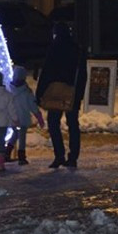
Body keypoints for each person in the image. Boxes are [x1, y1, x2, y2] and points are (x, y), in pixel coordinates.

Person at [35, 22, 87, 169]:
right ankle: (73, 157)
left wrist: (40, 93)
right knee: (73, 125)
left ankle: (59, 155)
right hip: (72, 92)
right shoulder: (77, 50)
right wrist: (79, 94)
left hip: (55, 93)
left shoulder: (54, 49)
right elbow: (82, 74)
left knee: (53, 123)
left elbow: (46, 73)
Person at [8, 65, 45, 165]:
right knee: (22, 137)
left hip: (13, 119)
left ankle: (7, 153)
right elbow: (32, 105)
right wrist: (38, 116)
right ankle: (21, 156)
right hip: (23, 119)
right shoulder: (26, 92)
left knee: (15, 134)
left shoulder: (9, 90)